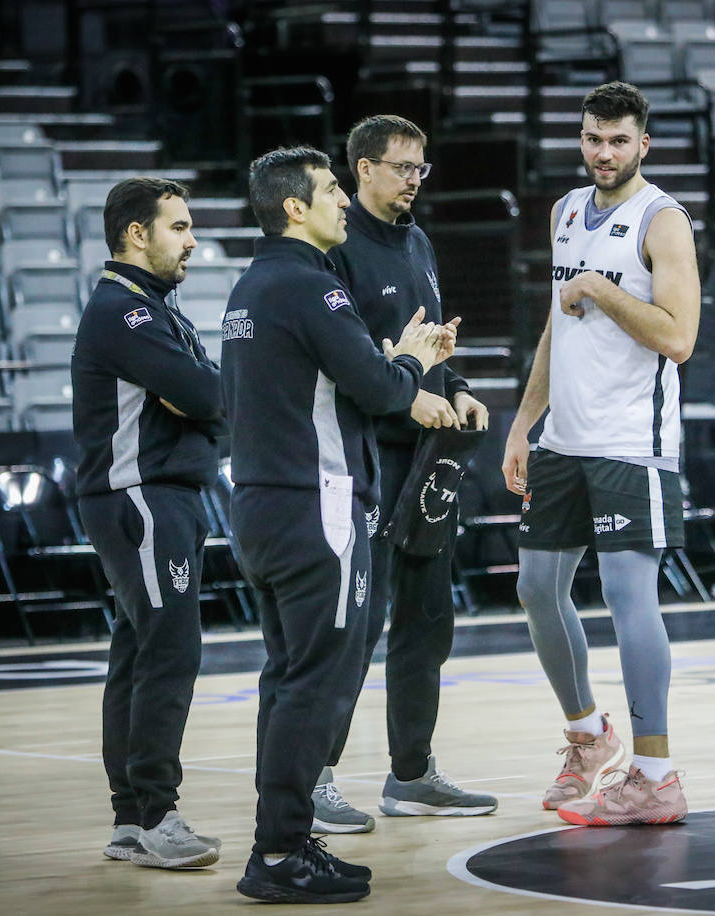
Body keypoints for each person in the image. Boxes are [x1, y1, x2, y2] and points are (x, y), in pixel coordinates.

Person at [222, 146, 453, 903]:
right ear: (295, 207)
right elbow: (384, 389)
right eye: (329, 190)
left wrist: (392, 363)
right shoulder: (311, 288)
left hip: (260, 504)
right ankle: (281, 854)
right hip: (316, 506)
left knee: (288, 681)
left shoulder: (251, 284)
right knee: (315, 684)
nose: (342, 203)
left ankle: (282, 844)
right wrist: (413, 360)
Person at [500, 81, 700, 827]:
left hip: (630, 444)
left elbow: (679, 338)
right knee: (535, 590)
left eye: (618, 140)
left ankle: (656, 774)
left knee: (627, 599)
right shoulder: (565, 211)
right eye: (592, 138)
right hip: (564, 440)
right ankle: (588, 736)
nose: (603, 152)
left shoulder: (663, 220)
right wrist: (524, 424)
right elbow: (558, 326)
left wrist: (599, 287)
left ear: (643, 144)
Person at [317, 114, 496, 827]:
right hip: (363, 462)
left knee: (426, 621)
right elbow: (347, 357)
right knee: (352, 626)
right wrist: (412, 392)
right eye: (402, 168)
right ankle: (316, 777)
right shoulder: (337, 244)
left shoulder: (418, 240)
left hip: (426, 463)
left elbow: (430, 342)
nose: (414, 180)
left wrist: (458, 388)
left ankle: (411, 774)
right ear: (363, 168)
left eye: (422, 168)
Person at [73, 177, 224, 869]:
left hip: (155, 497)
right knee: (169, 651)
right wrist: (207, 392)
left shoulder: (151, 307)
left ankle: (131, 822)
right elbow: (203, 392)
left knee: (137, 654)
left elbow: (204, 395)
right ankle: (157, 816)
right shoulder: (123, 311)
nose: (191, 240)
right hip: (142, 499)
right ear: (137, 233)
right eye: (178, 227)